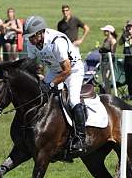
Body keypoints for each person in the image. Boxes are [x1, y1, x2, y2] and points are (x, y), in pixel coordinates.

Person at [24, 15, 86, 153]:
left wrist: (51, 84)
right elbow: (32, 62)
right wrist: (38, 74)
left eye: (32, 36)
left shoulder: (57, 42)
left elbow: (67, 70)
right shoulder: (32, 43)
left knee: (73, 101)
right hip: (54, 69)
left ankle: (80, 138)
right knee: (41, 96)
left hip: (73, 69)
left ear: (40, 33)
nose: (30, 40)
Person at [98, 25, 117, 94]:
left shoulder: (113, 40)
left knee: (107, 78)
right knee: (104, 79)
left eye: (105, 31)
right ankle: (105, 93)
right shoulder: (106, 39)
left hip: (109, 62)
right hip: (103, 60)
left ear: (109, 32)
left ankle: (108, 94)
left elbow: (113, 52)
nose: (104, 32)